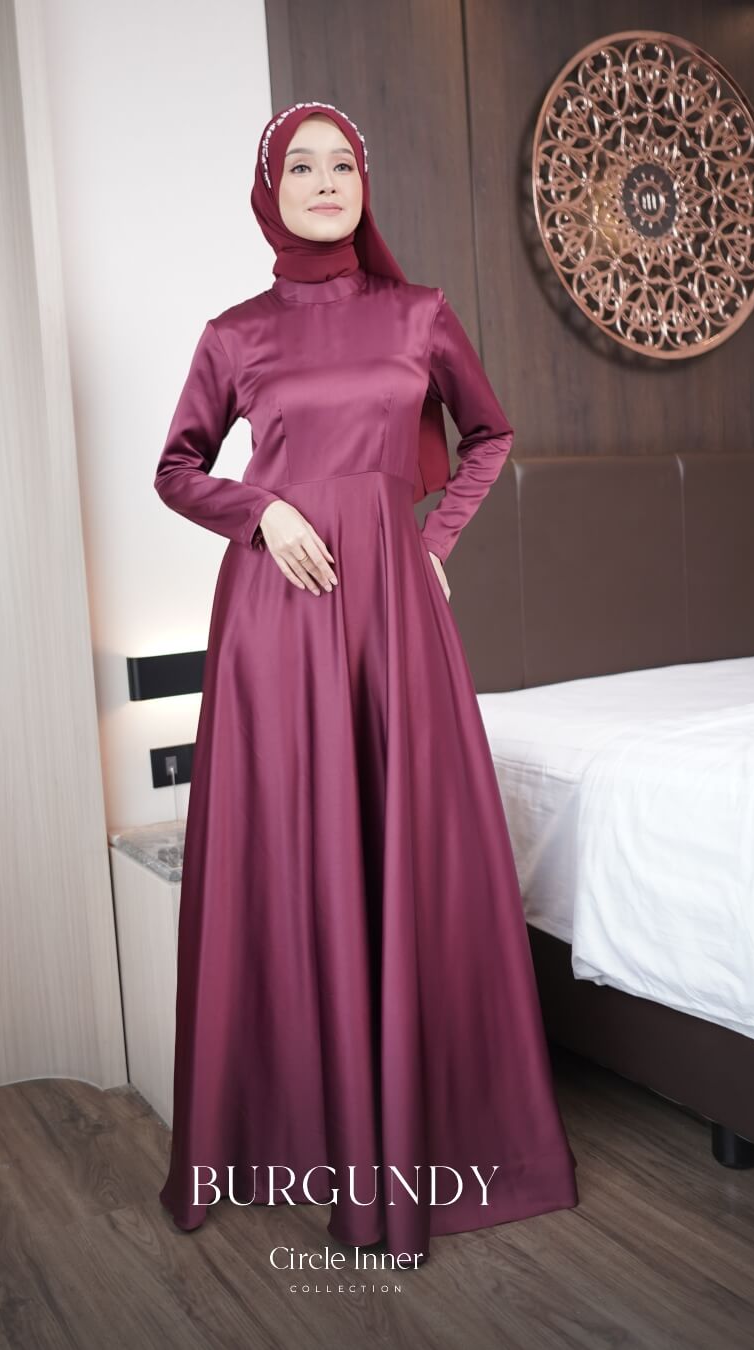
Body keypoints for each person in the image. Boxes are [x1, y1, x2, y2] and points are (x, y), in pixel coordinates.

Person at [152, 100, 578, 1264]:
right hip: (277, 622)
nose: (325, 180)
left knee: (403, 846)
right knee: (297, 850)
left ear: (362, 184)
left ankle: (420, 1140)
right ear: (270, 191)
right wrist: (260, 511)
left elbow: (488, 436)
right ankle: (294, 1133)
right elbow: (177, 467)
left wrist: (430, 544)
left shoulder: (418, 313)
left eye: (341, 164)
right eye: (302, 165)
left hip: (391, 615)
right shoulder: (234, 335)